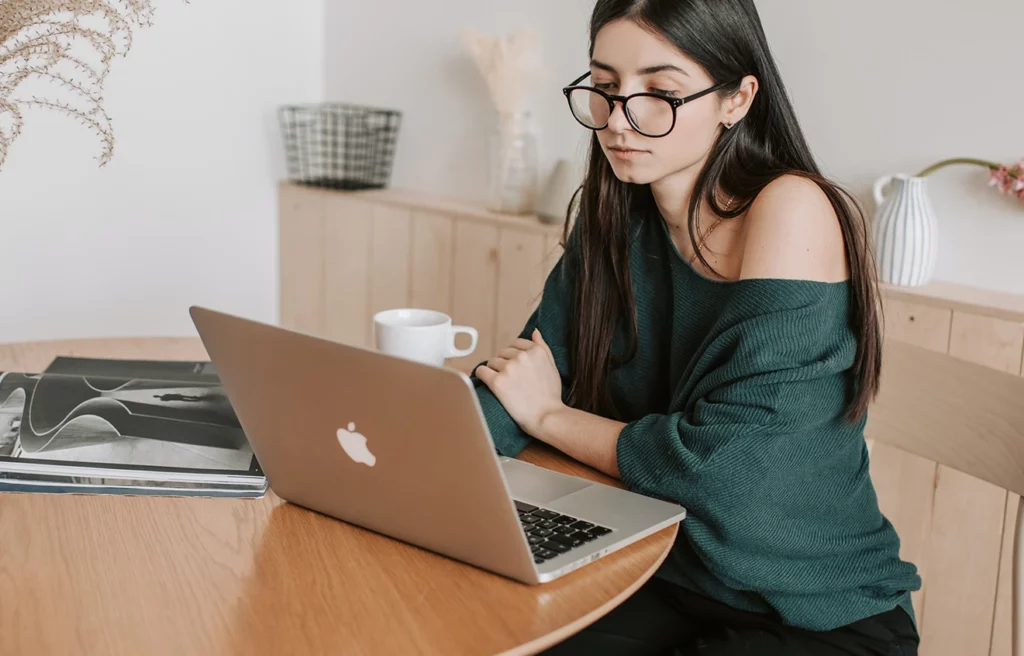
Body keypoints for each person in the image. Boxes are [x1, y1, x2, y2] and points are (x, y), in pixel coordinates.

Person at [469, 0, 922, 654]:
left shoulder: (791, 209)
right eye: (604, 87)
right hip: (659, 571)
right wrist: (412, 465)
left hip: (811, 612)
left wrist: (548, 419)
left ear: (736, 99)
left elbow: (724, 471)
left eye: (660, 92)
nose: (620, 118)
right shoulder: (611, 220)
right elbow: (527, 379)